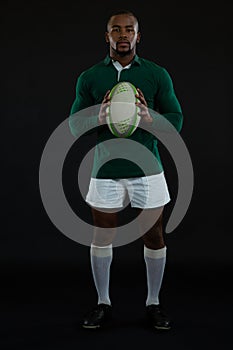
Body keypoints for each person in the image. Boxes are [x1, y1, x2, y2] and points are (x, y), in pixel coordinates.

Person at [69, 9, 183, 330]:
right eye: (116, 30)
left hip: (148, 168)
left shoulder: (157, 74)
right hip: (105, 169)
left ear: (138, 35)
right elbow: (75, 125)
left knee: (154, 234)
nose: (123, 35)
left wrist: (151, 121)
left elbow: (176, 119)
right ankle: (102, 302)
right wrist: (100, 117)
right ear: (106, 36)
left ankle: (154, 303)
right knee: (102, 235)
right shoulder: (90, 77)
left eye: (128, 30)